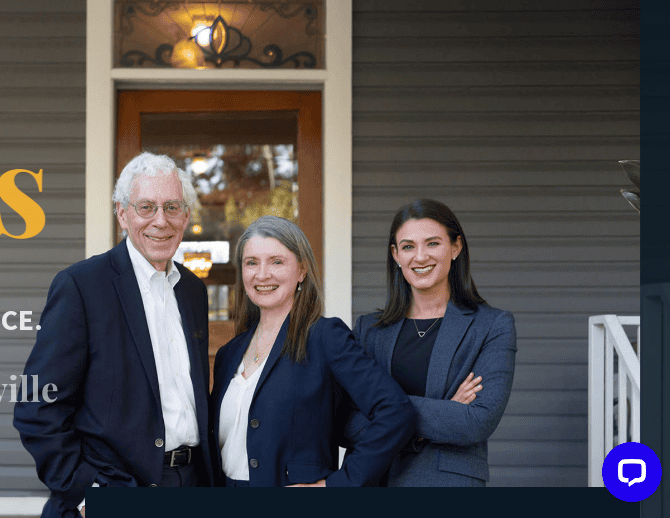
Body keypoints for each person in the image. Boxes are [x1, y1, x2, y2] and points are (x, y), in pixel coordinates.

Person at [14, 152, 213, 517]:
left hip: (191, 480)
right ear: (122, 213)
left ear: (186, 216)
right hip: (112, 486)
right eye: (146, 207)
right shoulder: (81, 286)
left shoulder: (193, 292)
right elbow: (37, 406)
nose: (161, 221)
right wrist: (86, 491)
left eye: (172, 207)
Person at [211, 215, 415, 487]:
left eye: (277, 261)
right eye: (252, 263)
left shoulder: (325, 337)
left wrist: (338, 485)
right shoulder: (229, 354)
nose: (262, 274)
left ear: (302, 270)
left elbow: (396, 412)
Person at [347, 199, 517, 486]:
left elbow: (476, 422)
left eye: (433, 243)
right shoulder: (368, 329)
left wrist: (383, 411)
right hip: (375, 482)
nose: (420, 257)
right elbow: (345, 421)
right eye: (408, 246)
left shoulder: (492, 326)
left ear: (456, 247)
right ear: (396, 255)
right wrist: (444, 409)